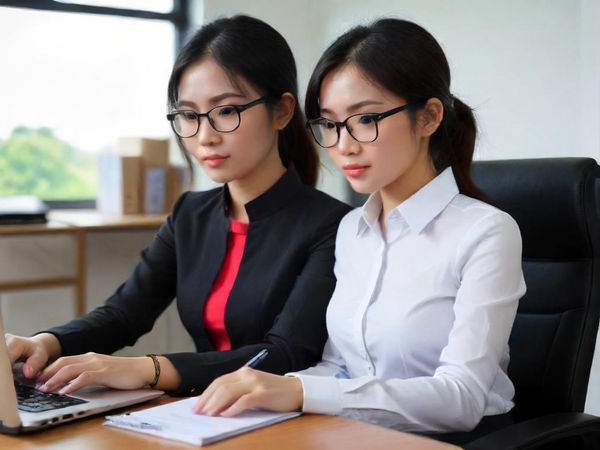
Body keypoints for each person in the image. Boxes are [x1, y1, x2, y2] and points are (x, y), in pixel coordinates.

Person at [193, 18, 526, 440]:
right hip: (358, 433)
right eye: (330, 124)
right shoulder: (352, 229)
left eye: (366, 119)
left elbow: (461, 399)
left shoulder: (486, 232)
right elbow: (339, 368)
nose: (343, 145)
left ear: (428, 117)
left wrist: (298, 391)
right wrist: (263, 391)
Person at [5, 15, 351, 397]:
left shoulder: (333, 226)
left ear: (282, 111)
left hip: (289, 417)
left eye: (226, 111)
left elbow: (284, 354)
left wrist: (147, 369)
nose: (205, 136)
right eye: (188, 115)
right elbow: (123, 315)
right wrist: (45, 343)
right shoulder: (190, 214)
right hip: (201, 412)